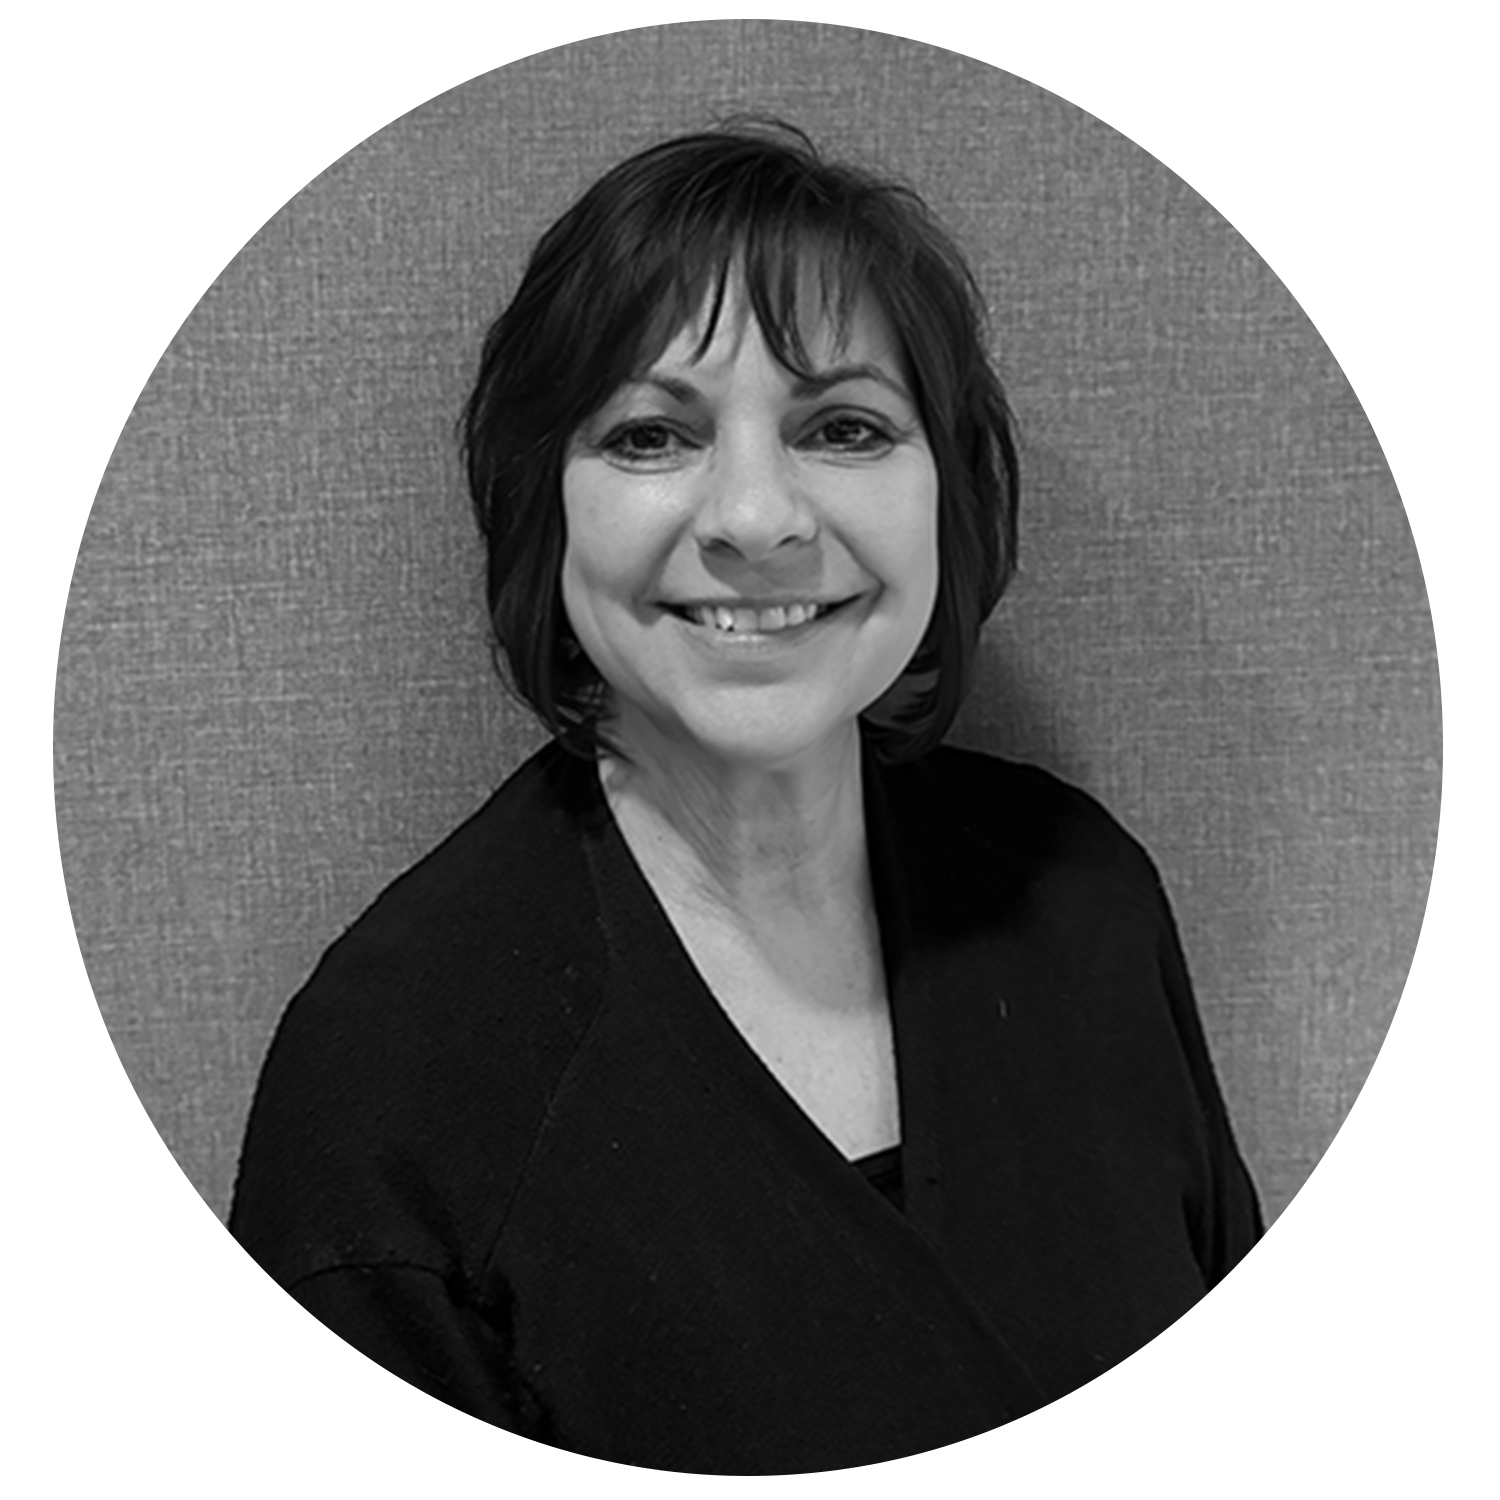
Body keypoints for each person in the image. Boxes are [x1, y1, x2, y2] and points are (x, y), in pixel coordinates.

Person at [192, 121, 1318, 1473]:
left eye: (843, 427)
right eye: (653, 434)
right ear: (542, 512)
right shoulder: (397, 1076)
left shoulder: (1080, 895)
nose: (756, 519)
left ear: (944, 494)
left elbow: (1253, 1379)